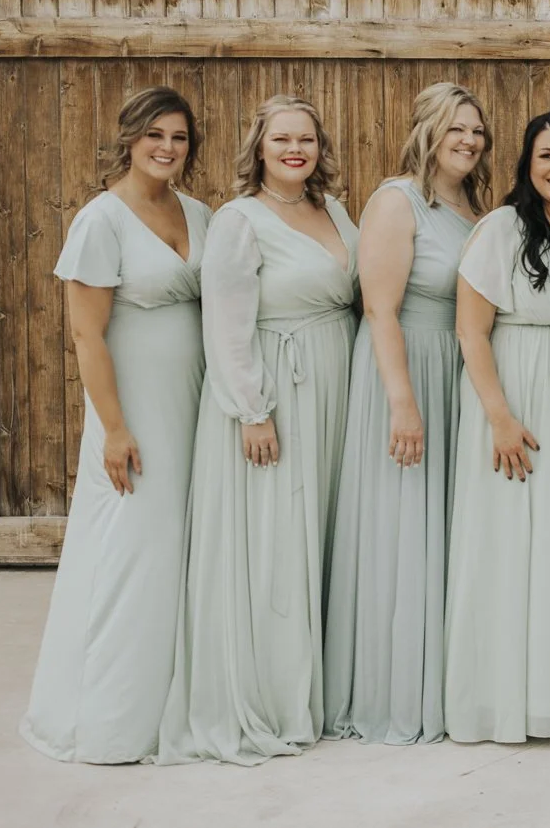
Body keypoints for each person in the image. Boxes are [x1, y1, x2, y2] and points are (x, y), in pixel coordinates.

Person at [159, 95, 360, 765]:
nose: (295, 150)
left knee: (322, 531)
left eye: (306, 139)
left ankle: (325, 682)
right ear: (260, 148)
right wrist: (252, 409)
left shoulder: (334, 210)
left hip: (335, 380)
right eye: (282, 140)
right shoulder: (238, 220)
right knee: (277, 539)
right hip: (277, 388)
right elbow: (225, 324)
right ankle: (271, 694)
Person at [21, 87, 213, 763]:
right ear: (129, 139)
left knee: (181, 548)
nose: (167, 147)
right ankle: (106, 717)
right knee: (132, 550)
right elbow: (86, 334)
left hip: (193, 403)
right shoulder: (100, 220)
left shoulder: (198, 212)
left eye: (179, 137)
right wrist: (114, 428)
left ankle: (175, 703)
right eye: (155, 134)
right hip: (134, 411)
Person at [442, 112, 550, 744]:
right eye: (545, 156)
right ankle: (499, 701)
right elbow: (470, 331)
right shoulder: (502, 228)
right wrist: (500, 418)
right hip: (520, 399)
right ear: (527, 165)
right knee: (512, 544)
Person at [324, 83, 491, 744]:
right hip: (405, 370)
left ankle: (446, 678)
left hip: (453, 370)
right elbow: (379, 308)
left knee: (444, 526)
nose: (468, 140)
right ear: (427, 130)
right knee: (402, 525)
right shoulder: (398, 201)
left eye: (476, 130)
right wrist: (402, 402)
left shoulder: (472, 207)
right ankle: (389, 690)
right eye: (455, 128)